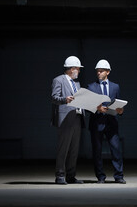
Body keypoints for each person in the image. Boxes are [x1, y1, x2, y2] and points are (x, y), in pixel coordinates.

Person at [87, 59, 126, 184]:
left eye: (101, 71)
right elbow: (87, 107)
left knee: (116, 150)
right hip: (96, 123)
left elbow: (119, 104)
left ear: (108, 72)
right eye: (97, 71)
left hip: (111, 123)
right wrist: (97, 109)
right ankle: (101, 177)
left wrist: (121, 111)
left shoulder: (115, 87)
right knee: (97, 152)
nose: (98, 73)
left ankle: (119, 176)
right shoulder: (91, 87)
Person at [51, 56, 85, 185]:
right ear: (72, 69)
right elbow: (54, 98)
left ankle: (71, 176)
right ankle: (60, 175)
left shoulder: (77, 83)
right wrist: (65, 99)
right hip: (65, 118)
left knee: (74, 149)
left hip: (77, 117)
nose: (79, 71)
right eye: (78, 69)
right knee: (63, 148)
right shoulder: (58, 80)